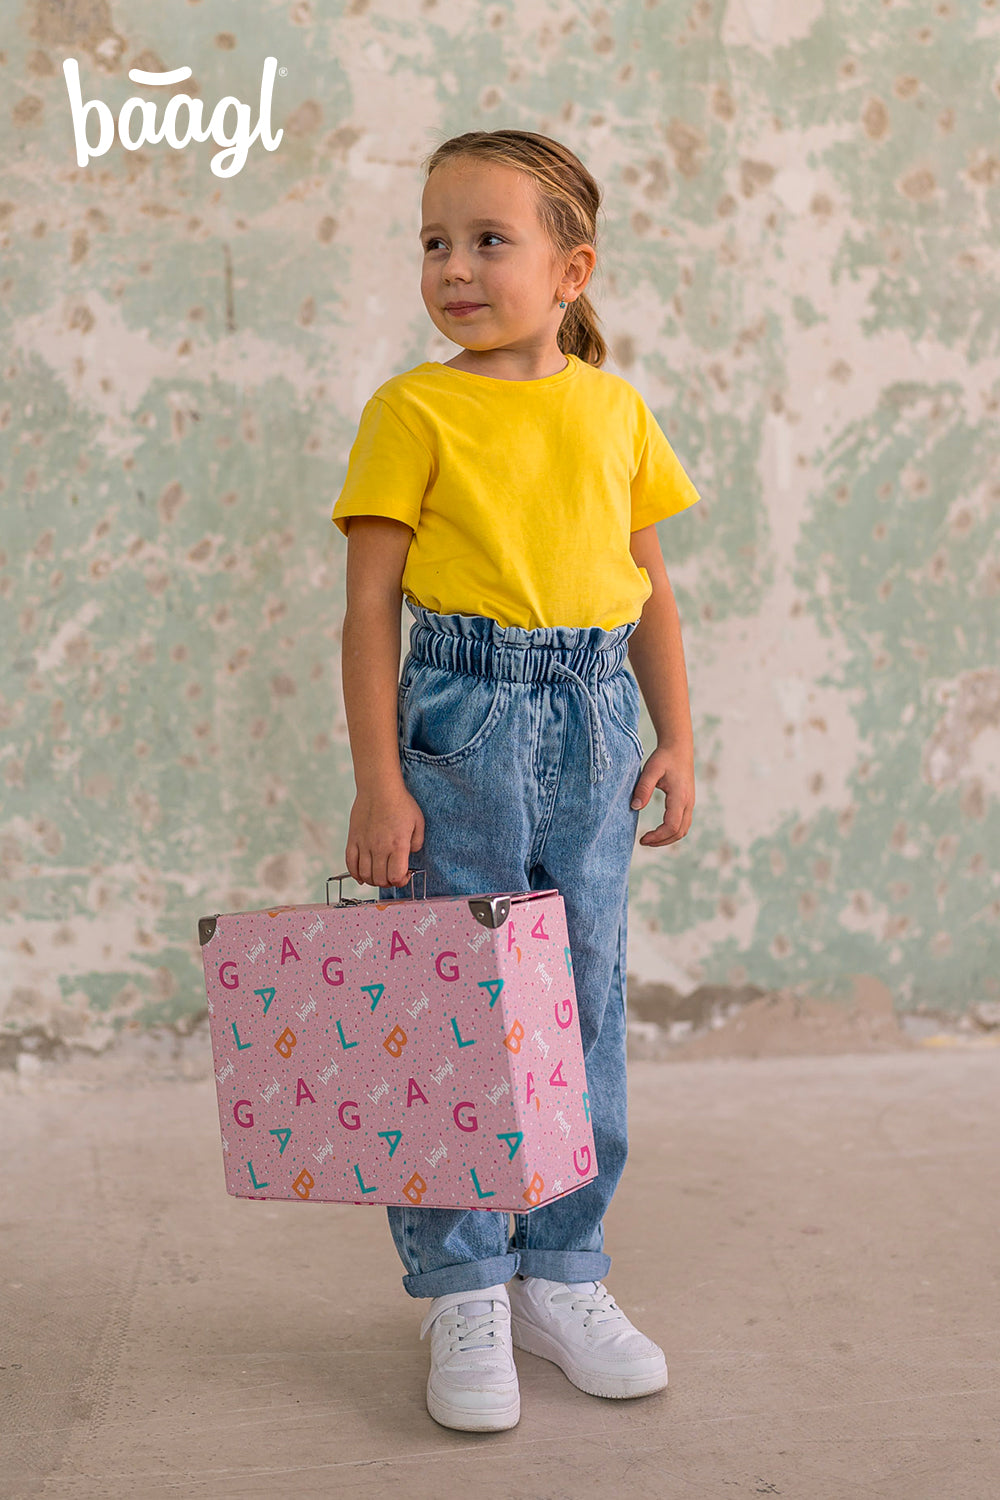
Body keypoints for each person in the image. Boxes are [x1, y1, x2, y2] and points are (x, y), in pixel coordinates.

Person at [332, 129, 699, 1433]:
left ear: (570, 268)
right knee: (454, 1000)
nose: (455, 267)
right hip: (460, 723)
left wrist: (678, 734)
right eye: (436, 241)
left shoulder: (615, 411)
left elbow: (649, 583)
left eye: (490, 240)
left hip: (596, 720)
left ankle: (561, 1268)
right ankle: (465, 1283)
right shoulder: (413, 412)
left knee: (579, 998)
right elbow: (369, 609)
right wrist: (382, 781)